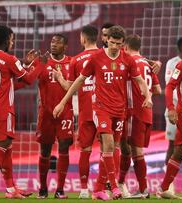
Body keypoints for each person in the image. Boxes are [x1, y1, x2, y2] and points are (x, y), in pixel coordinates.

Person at [53, 25, 152, 200]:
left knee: (114, 148)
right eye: (111, 43)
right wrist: (62, 102)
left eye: (118, 44)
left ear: (123, 44)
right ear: (106, 41)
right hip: (101, 108)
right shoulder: (96, 58)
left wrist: (148, 96)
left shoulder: (128, 60)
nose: (114, 47)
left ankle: (98, 189)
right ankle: (114, 186)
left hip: (119, 110)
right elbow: (79, 81)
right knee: (107, 144)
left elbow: (140, 80)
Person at [0, 25, 44, 199]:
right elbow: (27, 79)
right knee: (1, 145)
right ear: (6, 40)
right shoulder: (10, 59)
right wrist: (38, 65)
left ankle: (11, 189)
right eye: (12, 39)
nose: (13, 42)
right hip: (3, 110)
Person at [117, 34, 161, 199]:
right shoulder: (147, 64)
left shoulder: (129, 63)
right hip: (146, 112)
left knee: (131, 150)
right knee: (130, 149)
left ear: (126, 47)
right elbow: (157, 90)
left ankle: (141, 189)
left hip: (133, 111)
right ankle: (122, 184)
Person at [33, 34, 73, 199]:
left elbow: (73, 86)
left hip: (65, 112)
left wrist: (61, 79)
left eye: (58, 43)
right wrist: (33, 65)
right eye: (52, 42)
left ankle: (60, 190)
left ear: (65, 47)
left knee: (64, 147)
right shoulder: (42, 62)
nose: (54, 45)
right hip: (46, 114)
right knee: (45, 150)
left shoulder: (72, 62)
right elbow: (29, 78)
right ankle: (42, 189)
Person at [68, 25, 99, 199]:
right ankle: (106, 186)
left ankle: (84, 190)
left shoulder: (76, 60)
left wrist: (59, 79)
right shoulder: (106, 56)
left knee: (85, 151)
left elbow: (70, 87)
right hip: (105, 110)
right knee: (109, 150)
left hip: (86, 111)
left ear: (83, 38)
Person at [164, 36, 182, 193]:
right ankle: (168, 185)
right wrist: (172, 109)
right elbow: (171, 86)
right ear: (181, 47)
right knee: (173, 145)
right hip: (175, 110)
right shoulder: (172, 63)